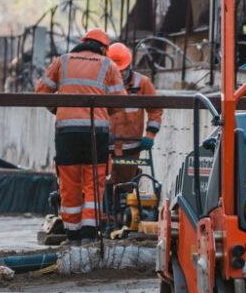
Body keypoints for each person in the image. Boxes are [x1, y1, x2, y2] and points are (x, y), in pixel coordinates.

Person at [35, 28, 125, 243]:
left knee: (69, 184)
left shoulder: (62, 61)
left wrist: (59, 109)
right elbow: (121, 101)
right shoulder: (108, 65)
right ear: (104, 48)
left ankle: (72, 236)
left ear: (83, 42)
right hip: (97, 133)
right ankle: (89, 236)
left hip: (67, 133)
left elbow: (41, 92)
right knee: (94, 184)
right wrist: (103, 112)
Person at [106, 42, 162, 187]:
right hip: (105, 146)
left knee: (127, 188)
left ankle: (125, 207)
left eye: (122, 71)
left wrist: (150, 134)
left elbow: (155, 109)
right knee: (103, 187)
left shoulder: (142, 83)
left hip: (132, 147)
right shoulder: (102, 83)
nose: (119, 74)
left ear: (129, 66)